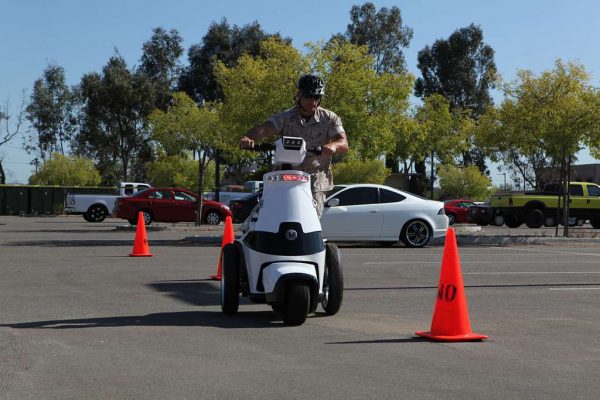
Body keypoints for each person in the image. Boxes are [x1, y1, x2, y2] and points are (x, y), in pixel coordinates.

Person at [239, 74, 349, 218]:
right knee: (274, 215)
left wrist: (334, 146)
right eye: (310, 96)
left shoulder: (329, 118)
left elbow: (343, 143)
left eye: (317, 97)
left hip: (315, 177)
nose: (314, 101)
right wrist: (248, 138)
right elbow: (265, 129)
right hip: (287, 174)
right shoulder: (286, 117)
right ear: (299, 95)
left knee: (311, 217)